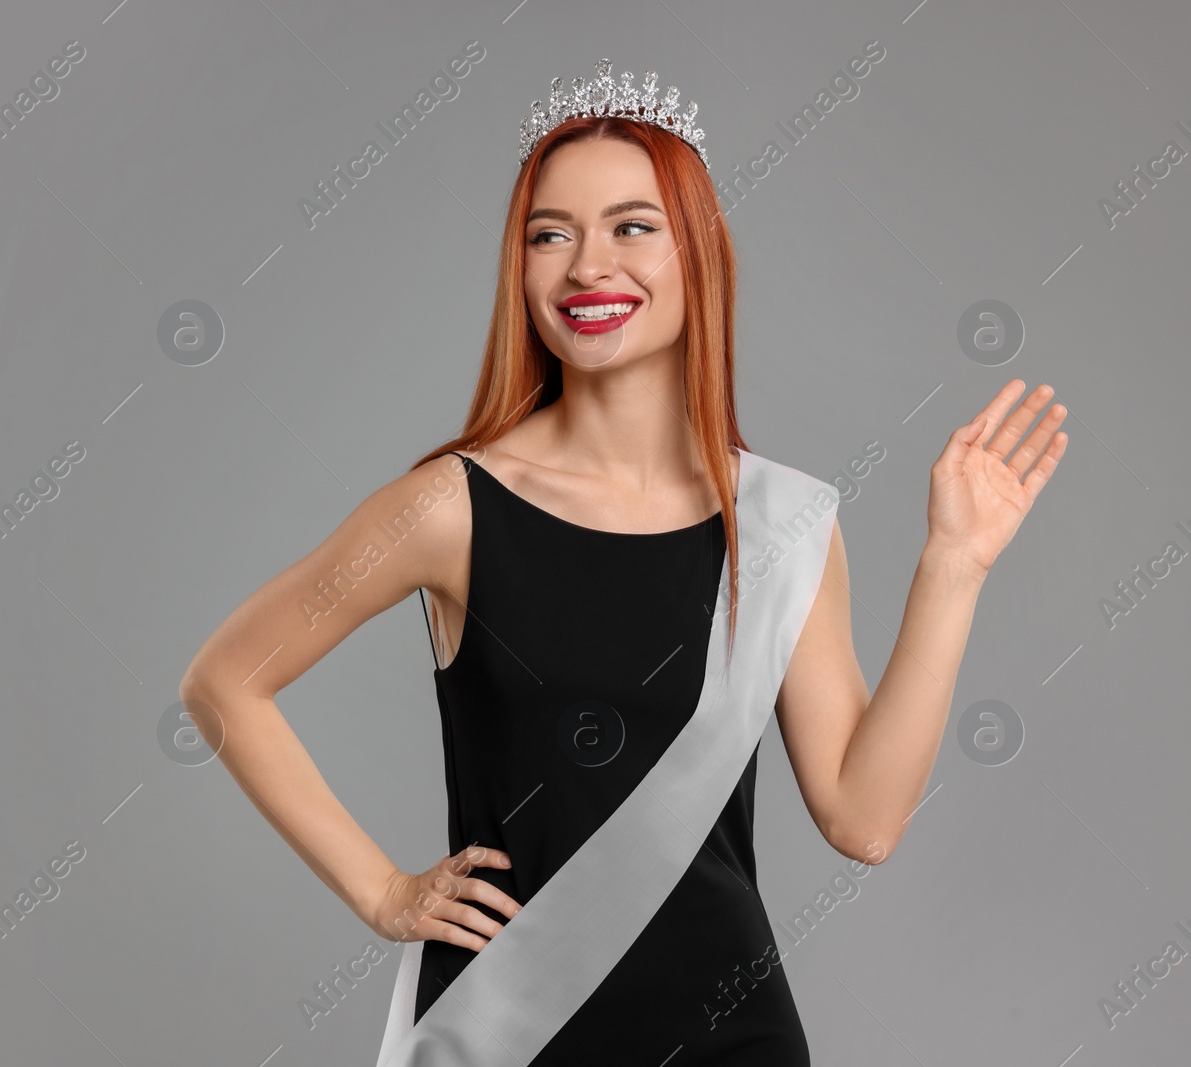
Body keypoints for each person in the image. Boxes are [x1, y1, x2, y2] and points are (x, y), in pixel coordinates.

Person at [177, 59, 1067, 1066]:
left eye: (632, 226)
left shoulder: (780, 520)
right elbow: (224, 680)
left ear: (699, 252)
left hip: (733, 1034)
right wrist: (384, 890)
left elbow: (863, 820)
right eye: (549, 234)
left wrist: (952, 563)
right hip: (513, 1031)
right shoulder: (449, 508)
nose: (586, 265)